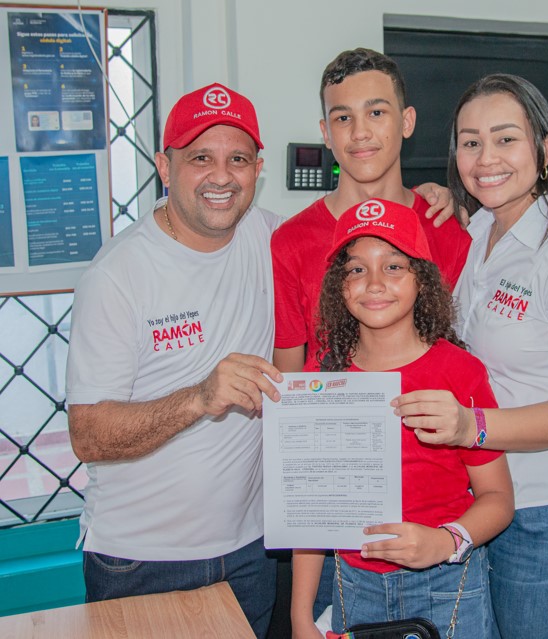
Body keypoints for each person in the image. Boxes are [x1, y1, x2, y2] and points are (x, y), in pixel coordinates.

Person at [392, 74, 548, 638]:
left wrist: (469, 427)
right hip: (487, 503)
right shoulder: (476, 232)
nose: (485, 158)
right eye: (470, 142)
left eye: (505, 139)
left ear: (544, 150)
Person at [66, 83, 282, 638]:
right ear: (165, 166)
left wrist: (434, 197)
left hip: (249, 552)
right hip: (141, 561)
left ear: (258, 167)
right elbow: (88, 435)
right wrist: (199, 398)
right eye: (199, 158)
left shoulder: (268, 236)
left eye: (237, 159)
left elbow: (365, 232)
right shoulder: (118, 274)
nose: (221, 176)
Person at [290, 198, 514, 639]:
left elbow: (499, 499)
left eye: (394, 267)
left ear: (422, 280)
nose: (374, 283)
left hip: (447, 583)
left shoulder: (459, 371)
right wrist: (300, 615)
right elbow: (309, 513)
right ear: (339, 285)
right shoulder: (320, 376)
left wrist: (446, 541)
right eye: (356, 269)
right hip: (353, 584)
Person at [271, 48, 470, 375]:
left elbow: (465, 351)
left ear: (406, 122)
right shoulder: (290, 242)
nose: (360, 132)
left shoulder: (447, 227)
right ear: (326, 133)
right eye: (343, 118)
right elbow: (288, 384)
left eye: (376, 113)